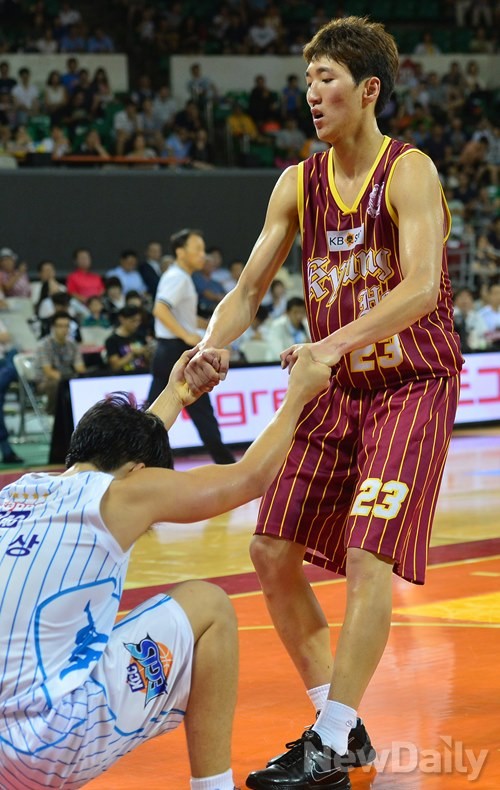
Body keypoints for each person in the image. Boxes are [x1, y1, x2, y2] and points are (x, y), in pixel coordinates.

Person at [185, 16, 463, 790]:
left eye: (326, 79)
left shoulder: (408, 171)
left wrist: (332, 344)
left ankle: (330, 741)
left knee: (369, 552)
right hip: (336, 390)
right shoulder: (297, 183)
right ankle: (341, 729)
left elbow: (418, 287)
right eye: (307, 80)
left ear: (369, 90)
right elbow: (246, 291)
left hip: (411, 385)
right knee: (270, 552)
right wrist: (212, 346)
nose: (311, 93)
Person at [0, 344, 331, 789]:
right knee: (208, 605)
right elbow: (250, 477)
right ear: (140, 471)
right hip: (43, 748)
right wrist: (299, 396)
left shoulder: (16, 494)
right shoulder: (119, 493)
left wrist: (177, 392)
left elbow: (128, 450)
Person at [148, 228, 235, 465]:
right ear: (180, 251)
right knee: (193, 410)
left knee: (157, 414)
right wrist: (187, 336)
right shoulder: (177, 277)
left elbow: (180, 314)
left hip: (169, 350)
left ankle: (140, 459)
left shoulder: (181, 277)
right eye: (197, 249)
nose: (203, 254)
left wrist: (205, 326)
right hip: (173, 350)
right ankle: (225, 462)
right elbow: (160, 309)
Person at [34, 311, 86, 414]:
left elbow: (80, 368)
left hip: (67, 378)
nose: (64, 329)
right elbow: (48, 372)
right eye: (60, 326)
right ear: (53, 327)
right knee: (56, 383)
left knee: (84, 380)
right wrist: (69, 380)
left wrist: (82, 377)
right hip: (45, 382)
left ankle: (81, 412)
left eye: (67, 326)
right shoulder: (44, 345)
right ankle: (52, 414)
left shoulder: (72, 344)